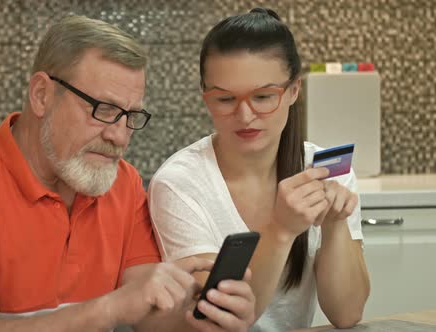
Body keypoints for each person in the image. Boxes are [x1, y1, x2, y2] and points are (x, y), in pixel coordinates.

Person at [0, 15, 255, 332]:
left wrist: (201, 314)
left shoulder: (121, 183)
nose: (118, 135)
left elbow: (148, 311)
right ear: (42, 95)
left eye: (130, 116)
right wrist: (108, 308)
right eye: (103, 109)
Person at [148, 8, 370, 332]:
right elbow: (219, 319)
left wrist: (335, 223)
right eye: (225, 99)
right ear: (206, 98)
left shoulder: (326, 170)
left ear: (294, 90)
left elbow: (347, 314)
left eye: (264, 96)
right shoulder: (179, 183)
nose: (245, 115)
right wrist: (281, 230)